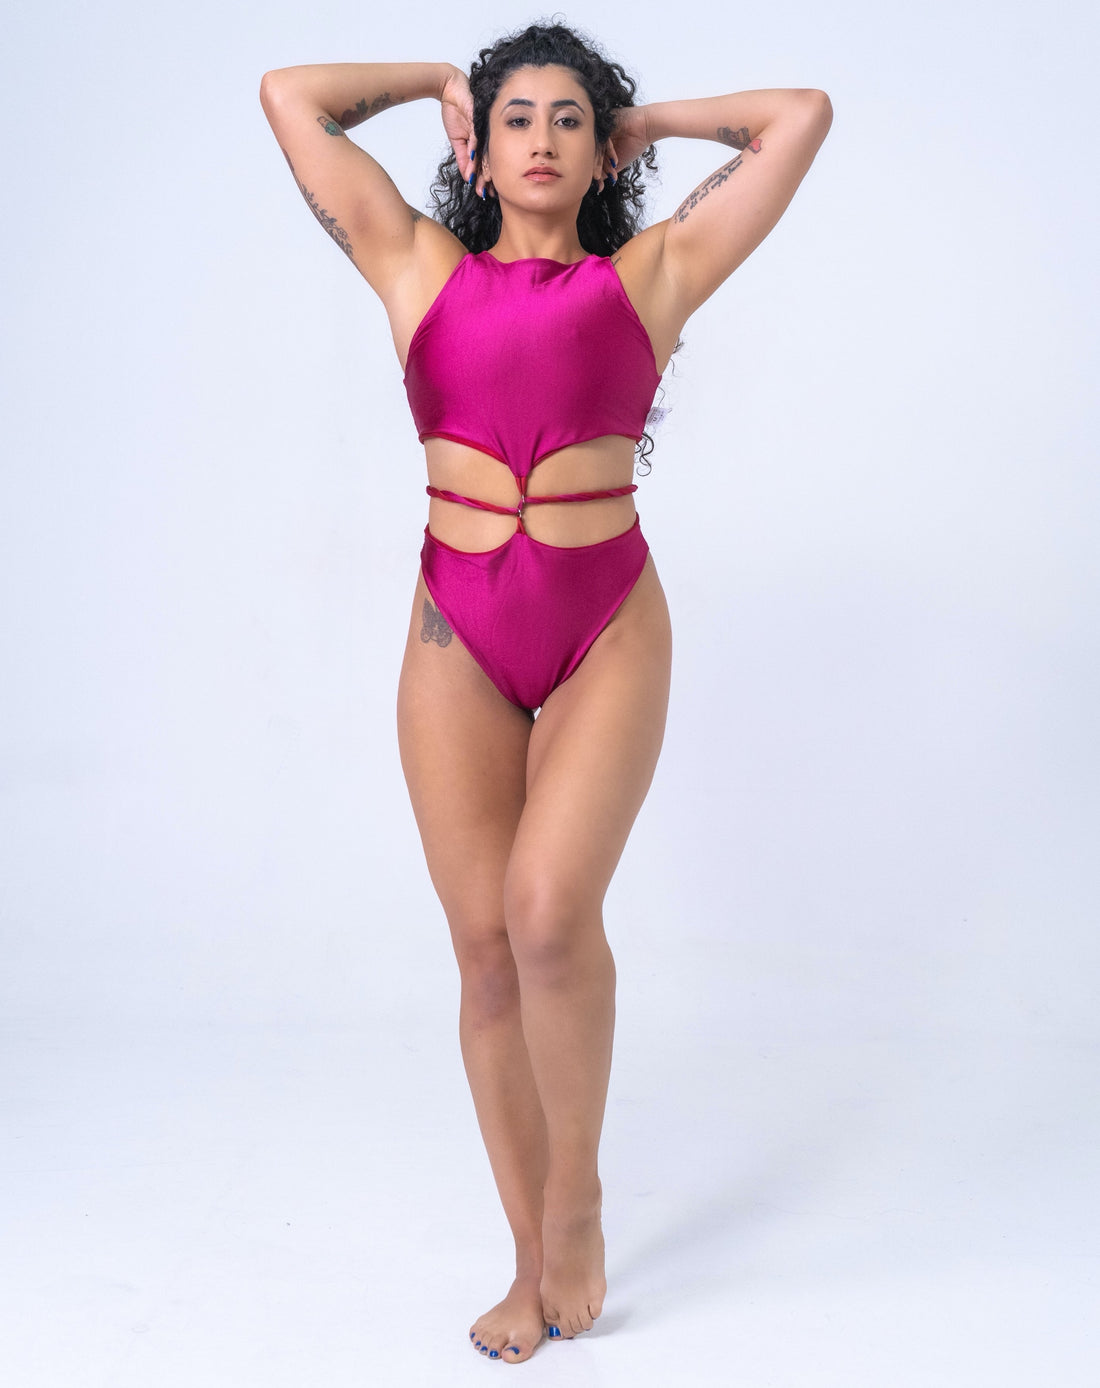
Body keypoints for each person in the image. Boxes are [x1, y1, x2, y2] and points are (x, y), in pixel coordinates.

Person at [260, 22, 830, 1362]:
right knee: (483, 951)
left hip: (603, 627)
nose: (542, 138)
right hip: (454, 634)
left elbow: (800, 115)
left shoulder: (653, 274)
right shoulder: (415, 266)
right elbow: (289, 97)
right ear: (480, 146)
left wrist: (653, 122)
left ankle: (576, 1199)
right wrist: (431, 83)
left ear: (596, 151)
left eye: (570, 119)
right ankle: (531, 1257)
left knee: (547, 915)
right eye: (517, 115)